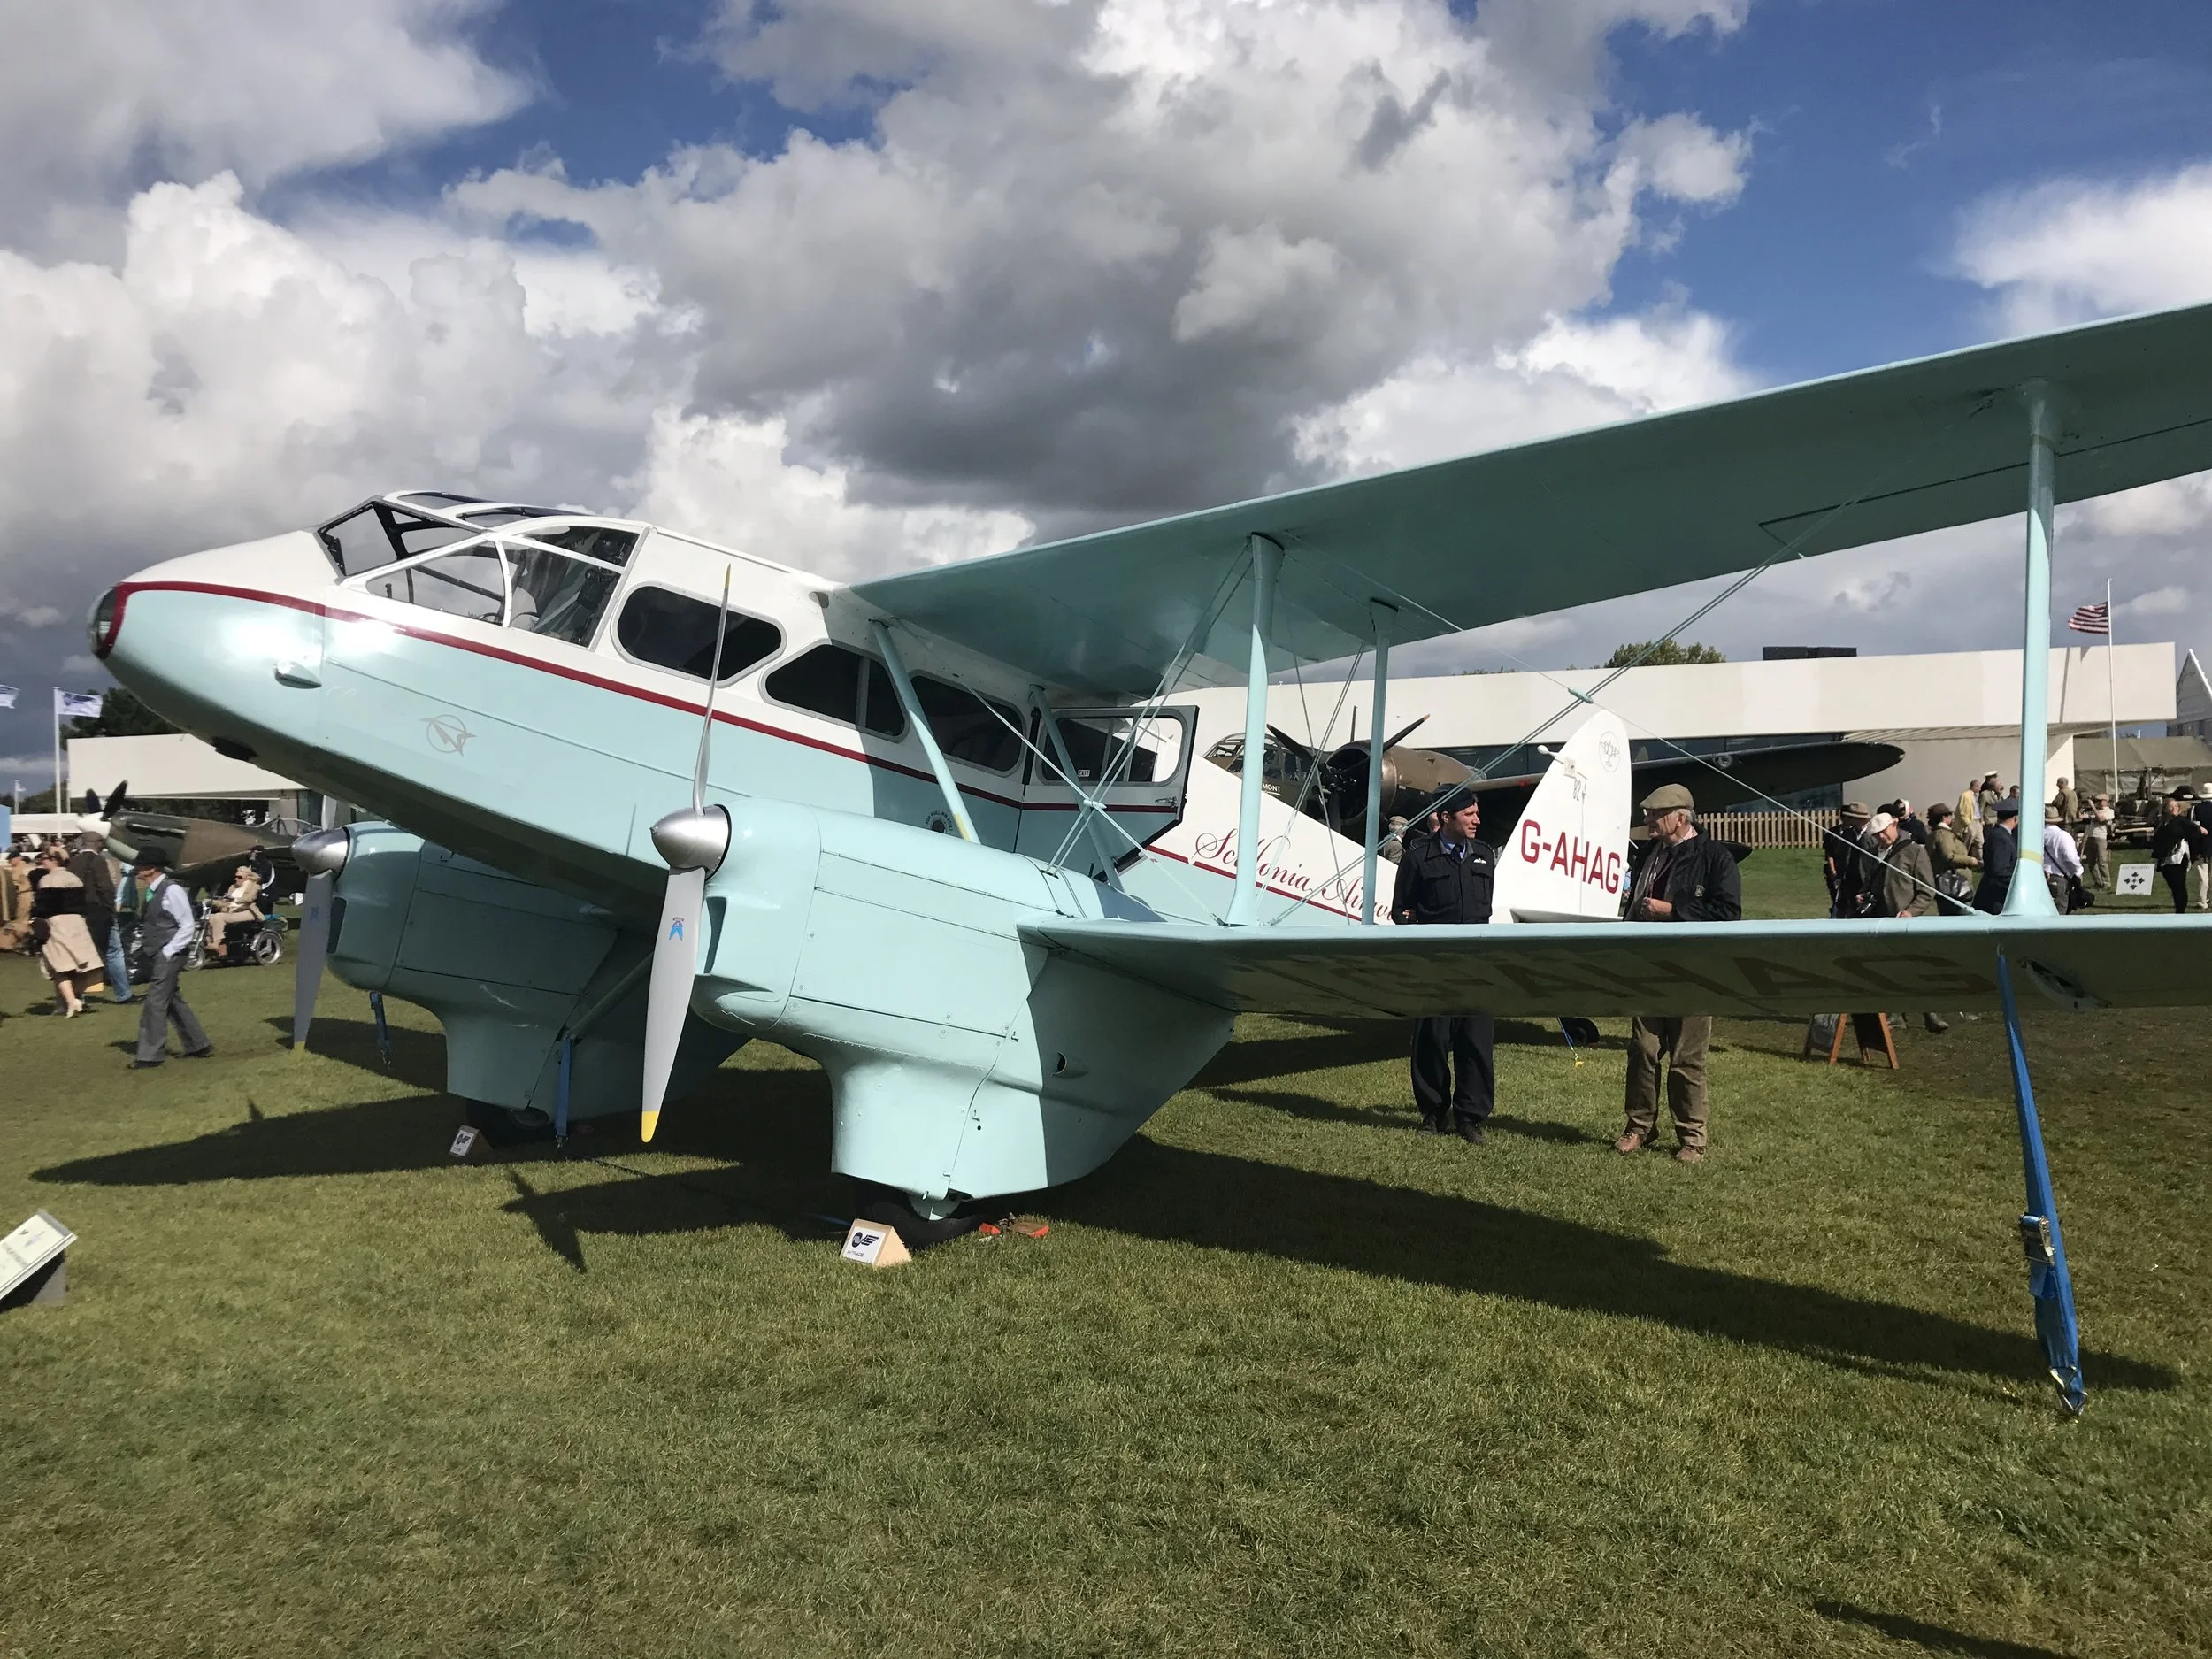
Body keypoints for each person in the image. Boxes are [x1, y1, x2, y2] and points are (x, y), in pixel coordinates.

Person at [1617, 783, 1740, 1164]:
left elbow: (1728, 914)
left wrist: (1673, 911)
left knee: (1686, 1058)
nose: (1649, 822)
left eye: (1656, 816)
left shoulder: (1715, 857)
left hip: (1694, 971)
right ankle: (1639, 1127)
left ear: (1681, 818)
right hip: (1648, 967)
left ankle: (1692, 1137)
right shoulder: (1650, 855)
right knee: (1642, 1050)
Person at [1391, 795, 1496, 1144]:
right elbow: (1400, 910)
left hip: (1476, 965)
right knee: (1431, 1041)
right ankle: (1433, 1113)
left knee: (1475, 1042)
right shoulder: (1418, 857)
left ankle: (1470, 1118)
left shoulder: (1484, 855)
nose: (1477, 820)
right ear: (1446, 817)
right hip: (1435, 965)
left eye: (1478, 813)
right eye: (1469, 814)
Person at [128, 848, 214, 1069]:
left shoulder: (172, 890)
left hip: (171, 952)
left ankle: (150, 1055)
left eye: (140, 865)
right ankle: (199, 1044)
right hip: (158, 951)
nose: (136, 869)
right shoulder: (153, 891)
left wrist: (169, 951)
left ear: (150, 869)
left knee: (155, 1001)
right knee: (172, 999)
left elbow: (187, 925)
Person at [1867, 810, 1948, 1033]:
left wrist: (1911, 912)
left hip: (1906, 922)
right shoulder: (1874, 852)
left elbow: (1927, 890)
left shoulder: (1914, 851)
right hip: (1880, 920)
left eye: (1883, 833)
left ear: (1894, 825)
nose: (1881, 838)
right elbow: (1873, 883)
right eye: (1876, 835)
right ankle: (1896, 1015)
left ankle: (1929, 1014)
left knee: (1913, 967)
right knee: (1888, 968)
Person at [29, 848, 103, 1016]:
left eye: (45, 858)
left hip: (57, 924)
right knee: (76, 965)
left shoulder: (47, 880)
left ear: (54, 860)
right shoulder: (74, 878)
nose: (43, 860)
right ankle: (65, 1002)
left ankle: (70, 1002)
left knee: (59, 966)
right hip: (77, 923)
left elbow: (43, 908)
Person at [67, 831, 134, 1003]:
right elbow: (106, 888)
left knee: (81, 955)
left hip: (78, 913)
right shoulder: (98, 861)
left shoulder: (73, 862)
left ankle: (77, 996)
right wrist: (111, 908)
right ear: (98, 843)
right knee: (114, 951)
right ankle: (123, 993)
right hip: (99, 911)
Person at [1823, 801, 1875, 918]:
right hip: (1849, 883)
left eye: (1853, 818)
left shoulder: (1873, 836)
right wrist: (1838, 876)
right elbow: (1841, 857)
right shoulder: (1847, 835)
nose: (1850, 821)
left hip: (1867, 882)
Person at [2151, 791, 2199, 916]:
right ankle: (2179, 908)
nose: (2175, 808)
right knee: (2173, 886)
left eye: (2176, 806)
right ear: (2167, 809)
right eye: (2172, 806)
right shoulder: (2163, 823)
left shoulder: (2181, 821)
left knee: (2179, 886)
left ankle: (2180, 911)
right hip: (2166, 859)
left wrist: (2198, 830)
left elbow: (2195, 831)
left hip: (2178, 857)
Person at [1927, 803, 1979, 915]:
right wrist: (1970, 860)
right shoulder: (1943, 834)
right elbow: (1949, 856)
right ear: (1944, 818)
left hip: (1945, 884)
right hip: (1954, 885)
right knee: (1964, 919)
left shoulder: (1934, 834)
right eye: (1950, 815)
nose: (1952, 818)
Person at [204, 863, 264, 957]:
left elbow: (249, 898)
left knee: (219, 917)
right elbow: (225, 903)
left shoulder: (254, 886)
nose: (237, 879)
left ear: (247, 877)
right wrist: (212, 902)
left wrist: (235, 899)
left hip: (247, 912)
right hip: (231, 912)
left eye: (240, 877)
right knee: (209, 917)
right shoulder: (233, 887)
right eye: (236, 877)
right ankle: (215, 945)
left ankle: (216, 943)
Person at [1974, 797, 2020, 915]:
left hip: (1994, 896)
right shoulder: (2001, 839)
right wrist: (2018, 884)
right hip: (1995, 900)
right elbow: (1999, 871)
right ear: (2016, 818)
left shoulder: (1998, 834)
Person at [2043, 817, 2084, 914]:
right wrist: (2078, 872)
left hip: (2041, 874)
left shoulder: (2034, 834)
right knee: (2060, 910)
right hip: (2058, 876)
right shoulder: (2062, 836)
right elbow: (2071, 858)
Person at [0, 846, 34, 950]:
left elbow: (14, 885)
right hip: (29, 895)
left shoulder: (19, 869)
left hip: (23, 896)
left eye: (11, 860)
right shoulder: (28, 866)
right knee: (23, 920)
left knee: (19, 921)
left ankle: (13, 942)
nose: (10, 863)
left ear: (18, 858)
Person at [2081, 795, 2114, 891]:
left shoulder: (2109, 811)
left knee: (2102, 861)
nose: (2097, 802)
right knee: (2091, 862)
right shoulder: (2095, 810)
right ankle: (2098, 883)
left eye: (2100, 801)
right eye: (2096, 801)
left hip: (2100, 838)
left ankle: (2106, 883)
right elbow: (2082, 816)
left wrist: (2093, 808)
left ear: (2106, 801)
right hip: (2090, 837)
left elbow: (2100, 819)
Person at [2192, 789, 2212, 912]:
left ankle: (2202, 900)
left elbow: (2194, 828)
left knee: (2203, 875)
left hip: (2202, 844)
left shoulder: (2196, 809)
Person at [1955, 778, 1986, 856]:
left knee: (1980, 842)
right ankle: (1964, 858)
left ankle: (1979, 861)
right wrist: (1967, 823)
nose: (1980, 789)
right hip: (1970, 821)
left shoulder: (1975, 796)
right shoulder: (1965, 795)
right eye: (1979, 787)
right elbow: (1962, 810)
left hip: (1977, 821)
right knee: (1967, 842)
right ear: (1975, 786)